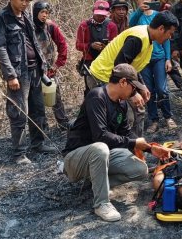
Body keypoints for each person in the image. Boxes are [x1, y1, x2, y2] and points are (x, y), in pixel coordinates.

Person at [63, 64, 157, 222]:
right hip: (75, 159)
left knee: (140, 169)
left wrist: (149, 148)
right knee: (100, 148)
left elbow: (126, 133)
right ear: (123, 82)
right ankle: (101, 204)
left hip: (101, 156)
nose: (134, 92)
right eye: (133, 88)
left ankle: (97, 184)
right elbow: (101, 136)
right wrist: (133, 142)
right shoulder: (96, 96)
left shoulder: (120, 104)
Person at [0, 0, 58, 166]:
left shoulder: (27, 16)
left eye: (27, 0)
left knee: (38, 109)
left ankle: (38, 144)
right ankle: (19, 153)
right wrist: (10, 75)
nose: (24, 3)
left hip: (35, 69)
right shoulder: (1, 17)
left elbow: (34, 42)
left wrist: (42, 64)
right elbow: (0, 47)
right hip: (18, 72)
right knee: (19, 112)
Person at [88, 10, 179, 137]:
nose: (170, 37)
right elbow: (120, 66)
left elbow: (133, 67)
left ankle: (135, 146)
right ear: (161, 28)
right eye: (170, 33)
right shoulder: (138, 38)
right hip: (104, 76)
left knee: (139, 109)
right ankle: (121, 150)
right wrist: (133, 93)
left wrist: (142, 86)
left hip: (119, 77)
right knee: (123, 116)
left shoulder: (149, 39)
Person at [129, 0, 176, 133]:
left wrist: (168, 59)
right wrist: (138, 11)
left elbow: (167, 39)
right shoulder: (136, 17)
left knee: (162, 88)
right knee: (147, 90)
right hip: (144, 59)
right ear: (137, 1)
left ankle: (168, 117)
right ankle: (154, 120)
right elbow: (130, 25)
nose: (144, 0)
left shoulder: (159, 15)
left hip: (159, 57)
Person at [32, 0, 70, 130]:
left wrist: (57, 64)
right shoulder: (28, 26)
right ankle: (42, 127)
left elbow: (62, 44)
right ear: (35, 12)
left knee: (55, 96)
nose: (44, 15)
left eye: (47, 13)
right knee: (37, 102)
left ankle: (63, 123)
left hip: (49, 70)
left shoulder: (50, 26)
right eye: (42, 12)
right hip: (33, 70)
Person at [75, 0, 118, 75]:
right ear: (93, 11)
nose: (100, 17)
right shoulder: (84, 26)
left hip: (106, 61)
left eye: (103, 15)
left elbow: (115, 46)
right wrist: (91, 45)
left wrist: (107, 45)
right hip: (89, 62)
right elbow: (78, 46)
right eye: (98, 14)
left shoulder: (112, 26)